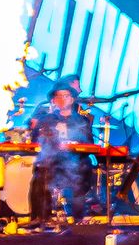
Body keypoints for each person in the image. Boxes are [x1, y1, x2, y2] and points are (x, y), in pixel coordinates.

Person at [28, 80, 96, 223]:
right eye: (58, 96)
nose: (62, 99)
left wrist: (75, 144)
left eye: (65, 96)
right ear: (53, 100)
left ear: (72, 99)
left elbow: (89, 144)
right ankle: (40, 218)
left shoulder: (82, 121)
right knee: (40, 172)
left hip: (75, 162)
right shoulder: (46, 120)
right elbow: (35, 141)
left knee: (81, 171)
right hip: (52, 162)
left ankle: (77, 218)